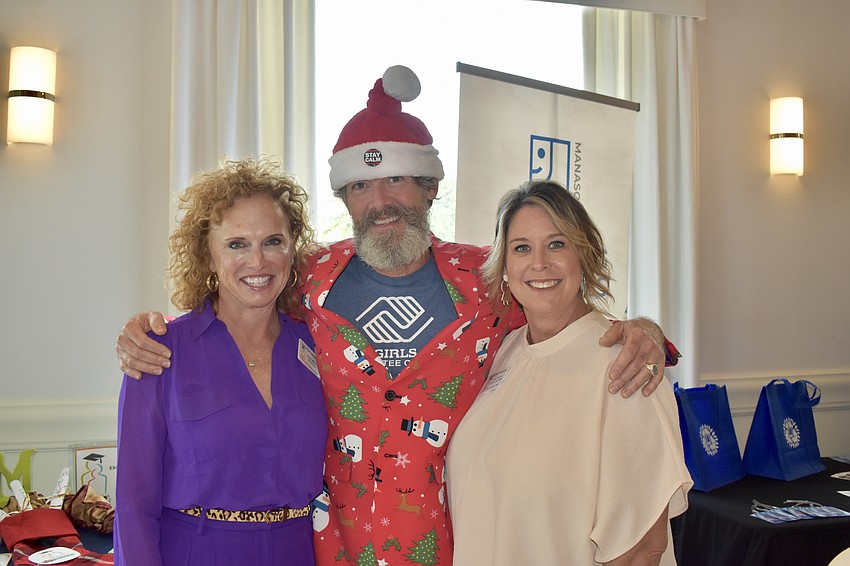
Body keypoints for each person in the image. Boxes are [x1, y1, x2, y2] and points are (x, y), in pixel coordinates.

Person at [115, 66, 677, 565]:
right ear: (344, 199)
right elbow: (237, 295)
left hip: (457, 543)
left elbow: (563, 312)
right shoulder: (307, 282)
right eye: (361, 185)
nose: (380, 201)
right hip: (328, 546)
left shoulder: (490, 280)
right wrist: (143, 330)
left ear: (430, 187)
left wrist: (646, 332)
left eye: (397, 180)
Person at [447, 179, 692, 565]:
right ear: (505, 266)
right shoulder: (503, 352)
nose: (539, 263)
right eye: (522, 248)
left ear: (585, 254)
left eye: (557, 244)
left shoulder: (624, 364)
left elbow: (643, 548)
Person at [113, 158, 327, 566]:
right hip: (196, 551)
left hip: (297, 550)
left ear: (292, 249)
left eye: (273, 241)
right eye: (236, 244)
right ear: (208, 257)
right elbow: (133, 504)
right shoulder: (159, 351)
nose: (258, 261)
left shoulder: (318, 346)